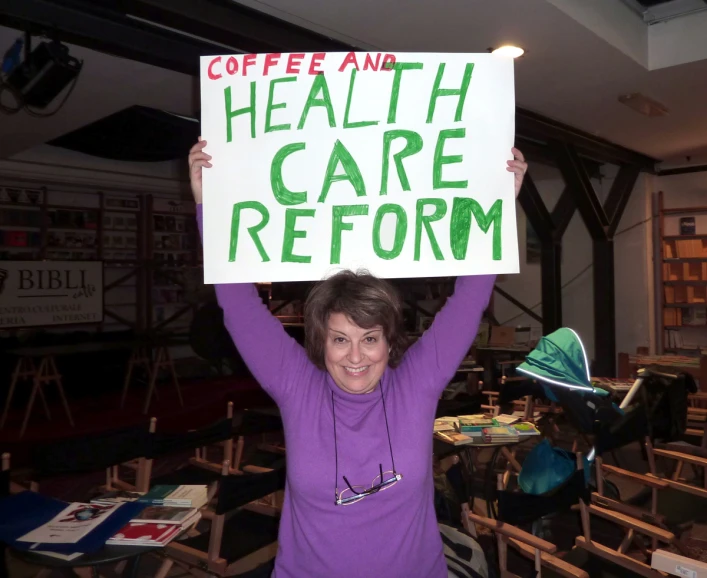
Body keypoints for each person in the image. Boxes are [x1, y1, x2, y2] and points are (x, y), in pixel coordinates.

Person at [188, 138, 527, 578]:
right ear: (320, 342)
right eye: (339, 339)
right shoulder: (297, 386)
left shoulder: (417, 384)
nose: (355, 357)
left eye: (369, 339)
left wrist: (498, 203)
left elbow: (469, 299)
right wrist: (208, 207)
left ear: (389, 342)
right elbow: (238, 307)